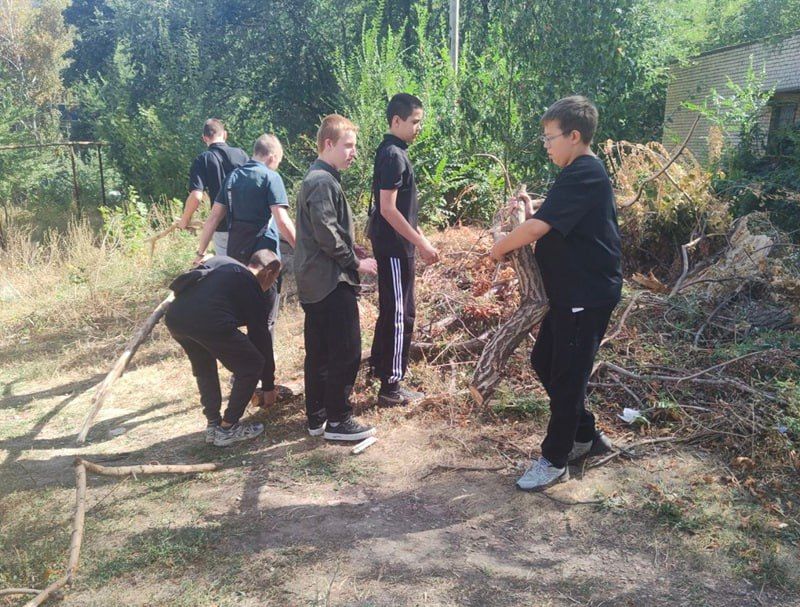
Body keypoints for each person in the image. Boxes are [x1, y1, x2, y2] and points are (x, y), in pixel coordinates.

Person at [490, 96, 621, 491]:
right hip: (569, 294)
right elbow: (552, 220)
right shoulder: (576, 173)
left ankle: (555, 459)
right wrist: (530, 214)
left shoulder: (586, 172)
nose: (546, 145)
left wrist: (499, 247)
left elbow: (536, 230)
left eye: (550, 137)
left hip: (586, 293)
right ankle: (585, 435)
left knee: (568, 375)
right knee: (545, 360)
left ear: (574, 136)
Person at [194, 134, 296, 409]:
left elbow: (213, 217)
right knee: (264, 324)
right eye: (278, 161)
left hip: (237, 261)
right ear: (272, 157)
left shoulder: (232, 178)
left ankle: (245, 377)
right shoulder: (270, 177)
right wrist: (305, 249)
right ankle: (267, 389)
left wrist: (200, 252)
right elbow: (282, 220)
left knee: (247, 320)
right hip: (264, 264)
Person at [294, 114, 378, 441]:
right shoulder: (321, 181)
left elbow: (324, 230)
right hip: (330, 280)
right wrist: (356, 262)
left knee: (319, 352)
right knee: (345, 350)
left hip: (316, 280)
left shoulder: (319, 178)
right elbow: (326, 234)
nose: (353, 152)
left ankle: (316, 418)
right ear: (328, 144)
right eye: (348, 145)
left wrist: (351, 246)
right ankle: (339, 420)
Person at [164, 250, 280, 447]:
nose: (273, 284)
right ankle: (227, 429)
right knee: (252, 365)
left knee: (204, 367)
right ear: (269, 273)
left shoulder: (222, 261)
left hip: (176, 318)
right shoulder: (251, 286)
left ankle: (213, 424)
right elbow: (261, 338)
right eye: (275, 278)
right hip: (210, 320)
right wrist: (268, 386)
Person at [368, 93, 439, 407]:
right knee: (400, 314)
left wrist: (421, 237)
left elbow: (403, 210)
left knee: (393, 310)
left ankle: (380, 370)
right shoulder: (393, 155)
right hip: (395, 248)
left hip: (397, 245)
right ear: (396, 120)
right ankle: (391, 386)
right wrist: (420, 243)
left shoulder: (391, 151)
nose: (418, 127)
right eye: (414, 122)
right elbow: (387, 209)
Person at [178, 118, 249, 256]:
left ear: (204, 138)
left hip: (222, 226)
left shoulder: (202, 159)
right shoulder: (241, 154)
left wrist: (185, 220)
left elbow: (196, 196)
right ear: (225, 134)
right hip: (247, 224)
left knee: (228, 267)